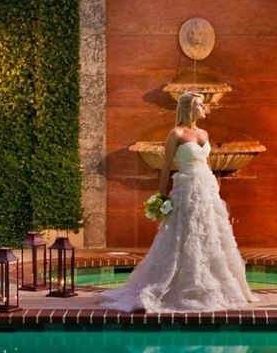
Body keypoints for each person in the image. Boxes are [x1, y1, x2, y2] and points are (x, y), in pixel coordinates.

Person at [101, 92, 256, 312]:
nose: (204, 107)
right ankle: (177, 286)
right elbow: (166, 167)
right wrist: (161, 196)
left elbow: (207, 163)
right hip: (186, 188)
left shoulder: (204, 133)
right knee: (184, 234)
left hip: (207, 190)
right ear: (188, 108)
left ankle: (213, 285)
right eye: (199, 104)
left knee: (210, 234)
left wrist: (215, 187)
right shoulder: (176, 133)